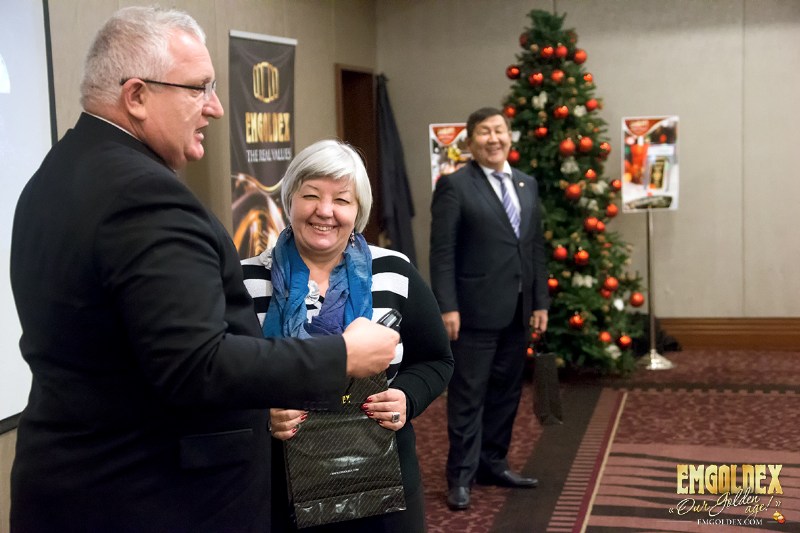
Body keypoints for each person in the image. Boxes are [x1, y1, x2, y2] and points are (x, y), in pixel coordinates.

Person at [9, 7, 398, 532]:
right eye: (199, 88)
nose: (214, 108)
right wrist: (343, 354)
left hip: (80, 480)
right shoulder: (143, 195)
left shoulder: (58, 172)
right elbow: (197, 365)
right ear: (137, 96)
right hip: (151, 499)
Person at [241, 139, 453, 532]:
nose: (325, 211)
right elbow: (225, 376)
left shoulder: (395, 271)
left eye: (341, 199)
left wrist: (407, 397)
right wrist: (260, 415)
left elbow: (437, 359)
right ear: (289, 200)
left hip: (382, 477)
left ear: (359, 211)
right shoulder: (246, 280)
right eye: (310, 195)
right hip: (281, 484)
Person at [429, 107, 549, 511]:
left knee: (506, 393)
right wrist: (447, 305)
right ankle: (460, 476)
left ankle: (493, 464)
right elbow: (442, 252)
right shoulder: (454, 186)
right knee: (468, 396)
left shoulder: (526, 183)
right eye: (484, 132)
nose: (493, 138)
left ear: (510, 136)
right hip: (472, 312)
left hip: (518, 309)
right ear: (470, 141)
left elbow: (533, 247)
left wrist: (540, 301)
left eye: (499, 130)